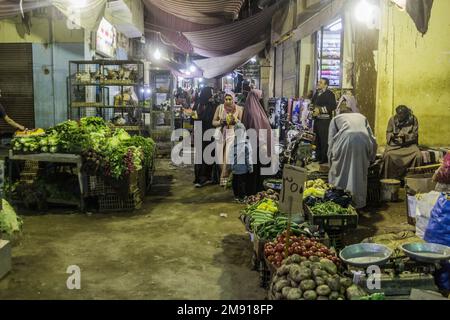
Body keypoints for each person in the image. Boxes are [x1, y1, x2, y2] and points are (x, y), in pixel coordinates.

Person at [328, 104, 378, 209]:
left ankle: (341, 202)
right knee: (359, 173)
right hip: (364, 141)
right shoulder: (361, 117)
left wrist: (331, 162)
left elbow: (331, 140)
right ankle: (358, 203)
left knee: (340, 172)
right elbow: (372, 139)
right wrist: (372, 157)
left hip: (345, 140)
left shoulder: (336, 118)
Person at [242, 89, 272, 195]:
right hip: (257, 144)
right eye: (260, 96)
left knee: (254, 168)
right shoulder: (254, 111)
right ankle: (255, 190)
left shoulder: (251, 108)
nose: (261, 98)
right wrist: (263, 143)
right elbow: (257, 128)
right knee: (257, 169)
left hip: (254, 143)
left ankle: (253, 189)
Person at [381, 105, 422, 179]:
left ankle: (412, 178)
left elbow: (415, 135)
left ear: (406, 114)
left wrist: (405, 136)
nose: (399, 116)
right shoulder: (392, 119)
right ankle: (389, 179)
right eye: (398, 114)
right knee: (388, 155)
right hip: (395, 145)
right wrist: (392, 135)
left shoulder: (413, 119)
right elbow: (388, 132)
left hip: (409, 145)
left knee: (418, 155)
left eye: (401, 114)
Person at [212, 91, 243, 187]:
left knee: (227, 158)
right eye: (226, 99)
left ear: (234, 99)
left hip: (232, 134)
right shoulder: (220, 108)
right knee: (219, 158)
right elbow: (213, 122)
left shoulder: (239, 109)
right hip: (220, 134)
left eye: (230, 99)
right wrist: (221, 122)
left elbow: (242, 124)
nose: (228, 101)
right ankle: (227, 176)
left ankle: (224, 179)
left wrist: (235, 121)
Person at [193, 86, 217, 187]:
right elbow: (208, 118)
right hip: (205, 132)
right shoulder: (209, 105)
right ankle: (202, 178)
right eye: (210, 93)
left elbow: (193, 118)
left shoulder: (199, 103)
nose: (211, 95)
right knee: (204, 155)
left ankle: (201, 178)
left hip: (202, 131)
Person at [312, 78, 337, 164]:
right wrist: (312, 110)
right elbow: (312, 104)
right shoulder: (317, 93)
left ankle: (324, 158)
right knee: (317, 139)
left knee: (324, 140)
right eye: (319, 82)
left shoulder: (330, 94)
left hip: (325, 121)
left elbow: (332, 106)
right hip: (317, 120)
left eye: (321, 82)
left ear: (326, 85)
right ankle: (317, 156)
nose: (318, 83)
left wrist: (320, 110)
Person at [228, 122, 253, 202]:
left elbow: (230, 155)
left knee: (235, 182)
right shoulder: (246, 143)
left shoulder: (233, 143)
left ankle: (236, 196)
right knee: (242, 183)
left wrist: (231, 166)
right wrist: (250, 167)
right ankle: (242, 197)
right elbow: (248, 157)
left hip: (235, 168)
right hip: (243, 168)